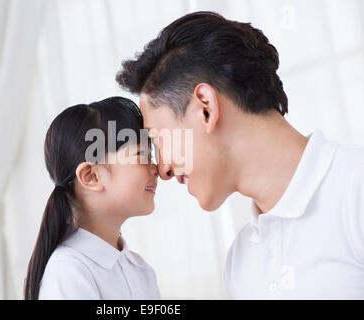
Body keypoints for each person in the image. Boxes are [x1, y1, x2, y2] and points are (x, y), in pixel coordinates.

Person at [116, 11, 364, 299]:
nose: (164, 170)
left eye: (159, 139)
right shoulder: (241, 261)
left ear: (206, 108)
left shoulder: (355, 190)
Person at [24, 97, 161, 300]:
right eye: (141, 155)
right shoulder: (68, 271)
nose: (156, 169)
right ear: (91, 176)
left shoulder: (142, 270)